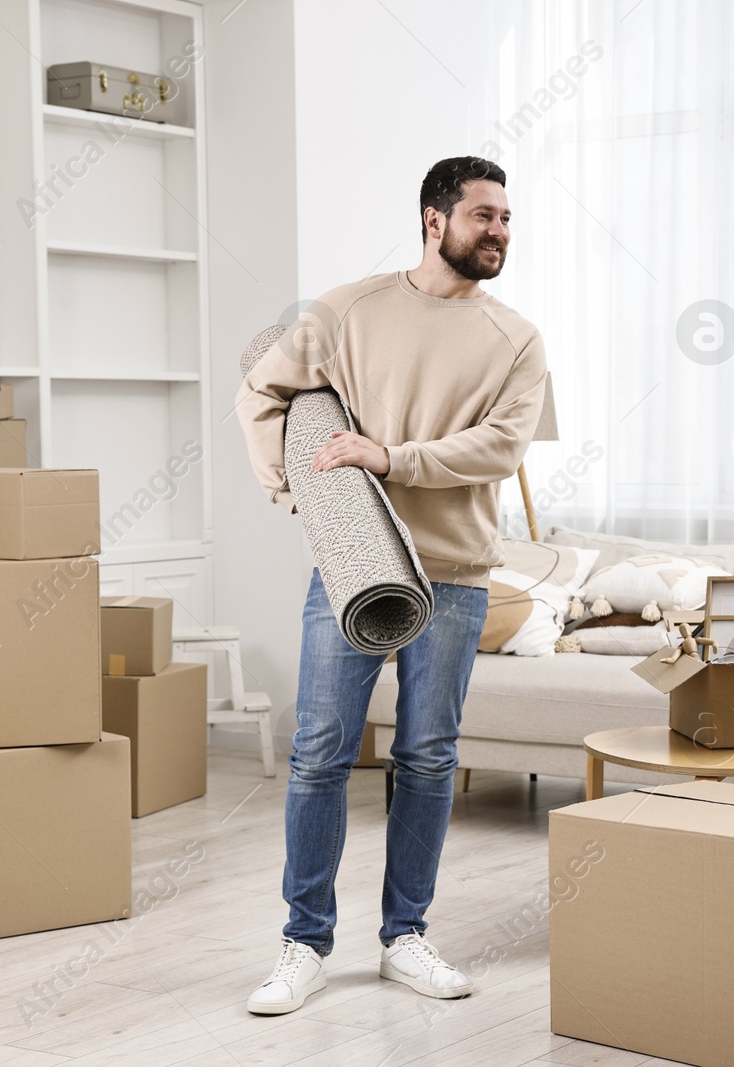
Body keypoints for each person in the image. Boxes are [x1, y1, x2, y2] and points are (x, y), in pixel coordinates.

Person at [235, 156, 547, 1014]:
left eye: (508, 218)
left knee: (429, 756)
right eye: (484, 215)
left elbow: (502, 448)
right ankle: (303, 944)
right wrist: (299, 490)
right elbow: (262, 391)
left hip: (455, 573)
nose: (500, 232)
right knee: (319, 753)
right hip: (352, 571)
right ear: (432, 219)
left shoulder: (516, 337)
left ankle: (404, 935)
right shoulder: (347, 309)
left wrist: (390, 456)